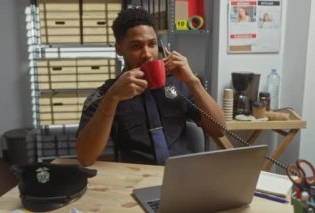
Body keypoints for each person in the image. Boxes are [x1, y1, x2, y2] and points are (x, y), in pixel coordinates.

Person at [76, 8, 226, 166]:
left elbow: (220, 130)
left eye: (152, 44)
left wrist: (193, 82)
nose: (147, 54)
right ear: (119, 49)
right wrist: (112, 99)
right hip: (138, 177)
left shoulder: (178, 82)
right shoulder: (109, 93)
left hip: (183, 174)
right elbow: (85, 157)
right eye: (136, 47)